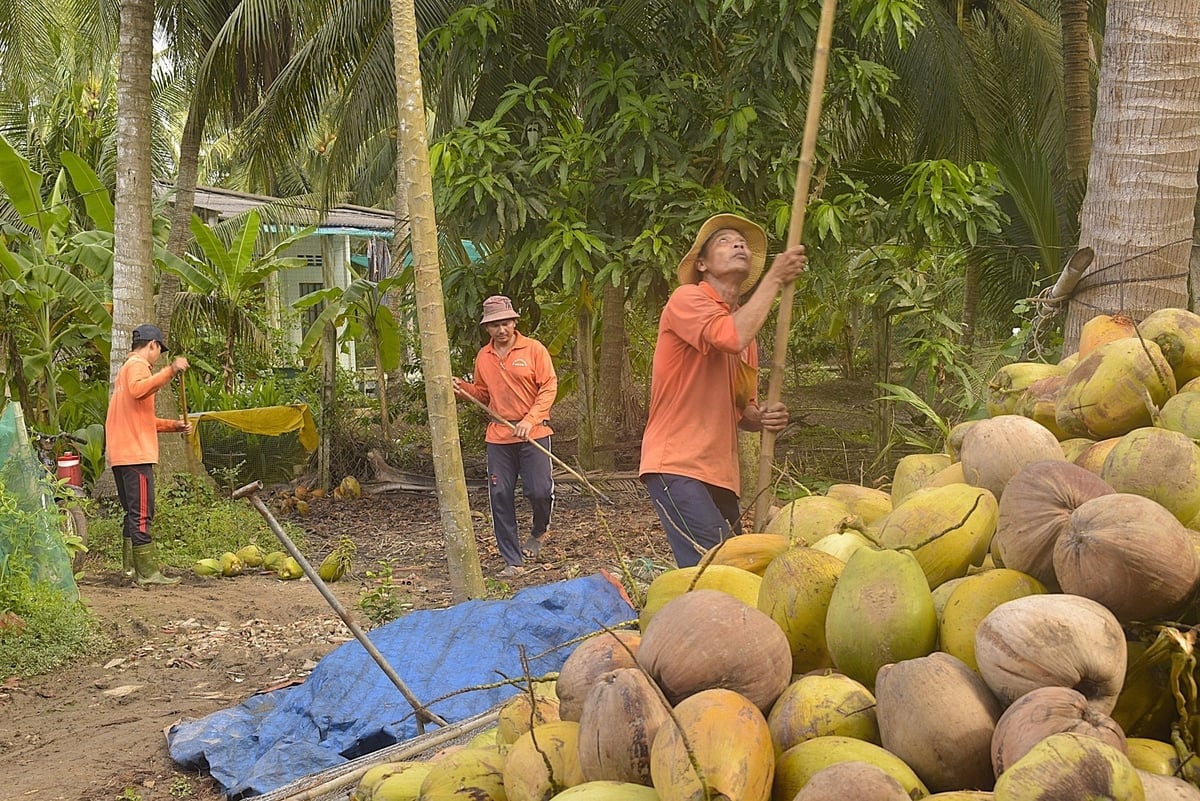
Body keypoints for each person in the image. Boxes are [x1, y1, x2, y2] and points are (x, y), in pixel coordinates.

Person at [639, 213, 807, 567]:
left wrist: (764, 418)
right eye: (724, 241)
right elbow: (728, 336)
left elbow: (741, 407)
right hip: (677, 464)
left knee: (738, 571)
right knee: (719, 569)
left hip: (720, 474)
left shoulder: (747, 328)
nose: (738, 244)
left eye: (742, 242)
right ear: (701, 264)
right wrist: (775, 277)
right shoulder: (687, 299)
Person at [452, 296, 558, 578]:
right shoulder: (483, 357)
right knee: (499, 494)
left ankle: (539, 530)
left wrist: (529, 419)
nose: (502, 329)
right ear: (487, 328)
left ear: (514, 322)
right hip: (499, 436)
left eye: (506, 322)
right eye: (495, 325)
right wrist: (463, 389)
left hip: (533, 432)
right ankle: (512, 561)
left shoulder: (534, 349)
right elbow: (483, 394)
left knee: (538, 491)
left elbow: (548, 387)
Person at [105, 323, 192, 586]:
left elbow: (142, 419)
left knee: (133, 511)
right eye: (158, 351)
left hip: (123, 453)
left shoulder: (125, 371)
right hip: (135, 455)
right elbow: (140, 390)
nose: (158, 357)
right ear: (152, 345)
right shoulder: (137, 367)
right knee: (142, 512)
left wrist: (173, 425)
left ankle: (130, 569)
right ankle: (147, 572)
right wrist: (171, 370)